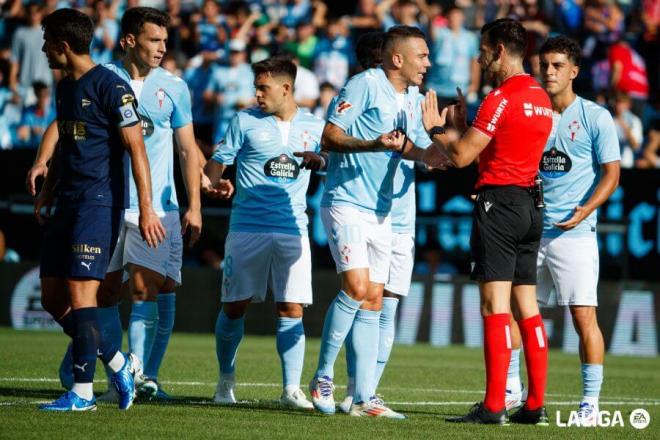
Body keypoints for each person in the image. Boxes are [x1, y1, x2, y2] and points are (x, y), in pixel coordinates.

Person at [29, 7, 211, 402]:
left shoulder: (175, 87)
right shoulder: (100, 77)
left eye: (165, 40)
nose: (163, 48)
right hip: (99, 200)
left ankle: (140, 374)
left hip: (149, 204)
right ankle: (113, 362)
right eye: (154, 40)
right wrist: (44, 167)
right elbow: (63, 128)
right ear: (129, 40)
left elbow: (185, 149)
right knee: (100, 295)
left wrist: (192, 203)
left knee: (145, 289)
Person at [309, 25, 446, 419]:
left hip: (385, 213)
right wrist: (371, 143)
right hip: (347, 202)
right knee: (355, 286)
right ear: (397, 58)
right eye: (422, 55)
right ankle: (322, 377)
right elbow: (329, 136)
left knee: (373, 299)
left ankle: (364, 399)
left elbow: (415, 151)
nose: (428, 63)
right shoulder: (364, 85)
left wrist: (436, 149)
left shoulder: (414, 99)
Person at [421, 18, 553, 424]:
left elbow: (460, 158)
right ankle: (534, 405)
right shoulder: (541, 97)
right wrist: (463, 130)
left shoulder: (501, 98)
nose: (478, 58)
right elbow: (497, 150)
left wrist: (438, 130)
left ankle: (494, 405)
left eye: (482, 50)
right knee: (527, 307)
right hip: (531, 207)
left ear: (498, 50)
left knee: (494, 305)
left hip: (499, 204)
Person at [505, 36, 620, 427]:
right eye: (544, 65)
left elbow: (612, 174)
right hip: (531, 230)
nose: (549, 72)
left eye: (557, 65)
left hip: (574, 233)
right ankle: (511, 390)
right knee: (514, 312)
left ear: (574, 70)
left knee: (583, 317)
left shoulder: (595, 117)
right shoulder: (532, 113)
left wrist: (585, 209)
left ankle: (590, 403)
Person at [203, 56, 326, 410]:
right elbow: (220, 159)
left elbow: (331, 161)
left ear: (286, 89)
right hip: (247, 228)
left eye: (263, 88)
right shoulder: (244, 120)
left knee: (291, 308)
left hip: (293, 229)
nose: (257, 94)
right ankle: (225, 380)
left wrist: (322, 161)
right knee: (234, 306)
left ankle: (291, 390)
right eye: (255, 87)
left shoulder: (315, 126)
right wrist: (210, 182)